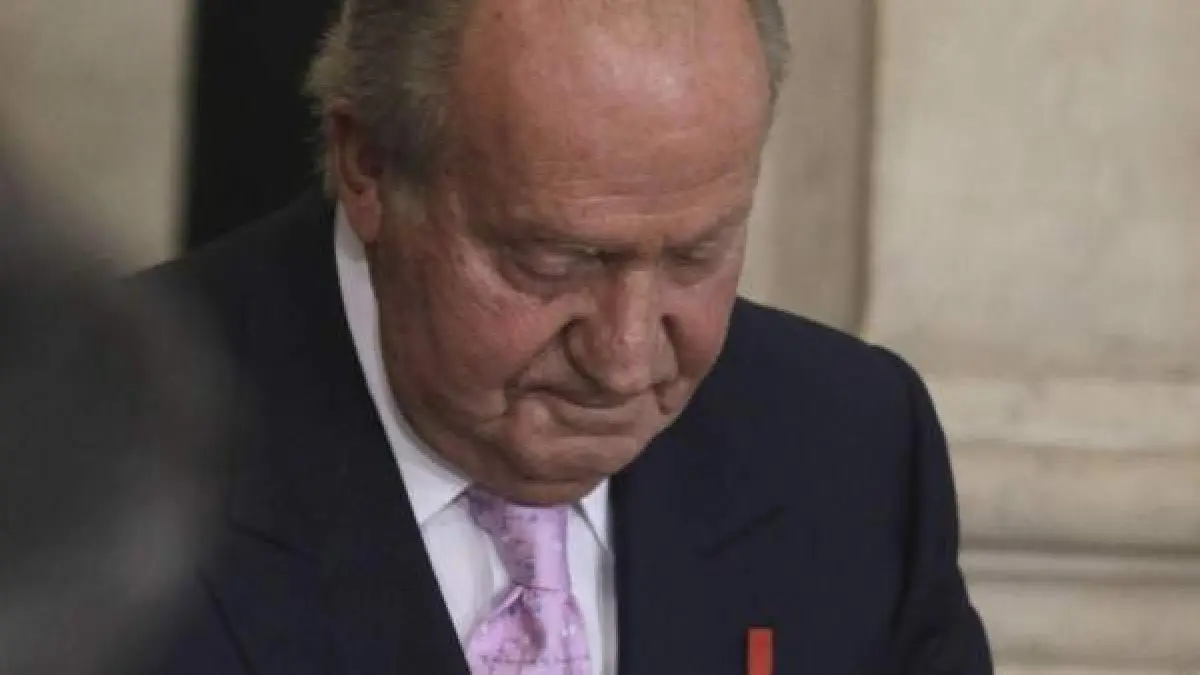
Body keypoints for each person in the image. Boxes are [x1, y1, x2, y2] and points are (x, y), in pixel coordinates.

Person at [147, 0, 992, 673]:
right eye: (552, 262)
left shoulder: (854, 449)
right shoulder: (90, 443)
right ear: (369, 165)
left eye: (695, 256)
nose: (624, 357)